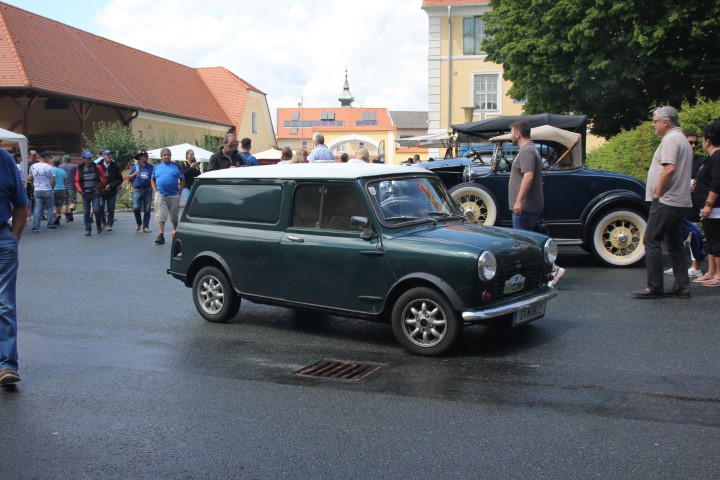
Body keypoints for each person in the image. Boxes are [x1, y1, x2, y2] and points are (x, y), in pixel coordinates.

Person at [632, 106, 694, 299]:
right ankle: (681, 286)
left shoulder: (670, 140)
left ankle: (655, 287)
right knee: (675, 244)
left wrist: (658, 193)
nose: (653, 124)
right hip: (680, 200)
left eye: (655, 120)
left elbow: (668, 169)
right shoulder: (681, 139)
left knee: (651, 239)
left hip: (667, 200)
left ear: (666, 122)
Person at [507, 121, 565, 286]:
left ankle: (552, 269)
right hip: (527, 206)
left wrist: (518, 201)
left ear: (518, 133)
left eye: (512, 132)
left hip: (525, 206)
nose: (511, 135)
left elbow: (528, 176)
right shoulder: (529, 150)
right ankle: (542, 274)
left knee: (524, 245)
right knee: (530, 244)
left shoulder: (527, 151)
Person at [0, 148, 28, 385]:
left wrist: (13, 238)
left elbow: (21, 203)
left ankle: (7, 365)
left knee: (4, 303)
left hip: (2, 240)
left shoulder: (4, 159)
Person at [664, 131, 706, 277]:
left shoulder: (701, 161)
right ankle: (679, 266)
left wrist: (695, 183)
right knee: (679, 235)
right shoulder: (679, 159)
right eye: (690, 143)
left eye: (695, 143)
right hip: (678, 202)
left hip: (694, 204)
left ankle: (696, 267)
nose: (693, 146)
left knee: (693, 235)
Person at [693, 119, 720, 287]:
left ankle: (719, 274)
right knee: (710, 240)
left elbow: (717, 182)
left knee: (717, 240)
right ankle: (711, 271)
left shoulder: (717, 157)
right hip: (706, 207)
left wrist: (709, 204)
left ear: (707, 140)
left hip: (715, 208)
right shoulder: (709, 159)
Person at [151, 148, 184, 245]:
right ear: (161, 156)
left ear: (171, 155)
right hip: (160, 194)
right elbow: (152, 179)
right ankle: (161, 235)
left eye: (168, 155)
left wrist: (180, 191)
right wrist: (155, 190)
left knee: (174, 216)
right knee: (160, 215)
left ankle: (175, 232)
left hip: (173, 195)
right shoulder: (156, 167)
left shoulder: (176, 166)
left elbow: (182, 180)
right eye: (164, 155)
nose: (166, 156)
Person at [75, 149, 107, 236]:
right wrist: (80, 191)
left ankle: (98, 225)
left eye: (90, 158)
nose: (89, 160)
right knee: (86, 212)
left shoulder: (97, 167)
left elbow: (104, 178)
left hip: (95, 192)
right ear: (83, 158)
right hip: (85, 193)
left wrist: (100, 187)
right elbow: (77, 181)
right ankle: (88, 229)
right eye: (87, 158)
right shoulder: (80, 168)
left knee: (96, 210)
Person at [28, 151, 57, 232]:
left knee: (37, 208)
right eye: (48, 157)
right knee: (49, 207)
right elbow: (53, 179)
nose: (49, 159)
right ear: (45, 157)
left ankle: (36, 226)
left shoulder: (33, 166)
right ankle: (50, 225)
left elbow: (30, 178)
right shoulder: (49, 167)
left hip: (37, 189)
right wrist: (52, 187)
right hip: (47, 188)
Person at [127, 149, 154, 233]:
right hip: (137, 190)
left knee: (147, 209)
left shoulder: (150, 167)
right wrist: (135, 173)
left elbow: (153, 178)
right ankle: (138, 222)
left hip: (148, 190)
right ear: (140, 157)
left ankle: (146, 226)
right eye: (144, 156)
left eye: (146, 155)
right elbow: (129, 177)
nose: (146, 157)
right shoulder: (135, 166)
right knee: (136, 208)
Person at [98, 150, 123, 231]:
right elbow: (96, 178)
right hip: (101, 191)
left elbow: (120, 179)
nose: (109, 156)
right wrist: (100, 186)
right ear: (103, 156)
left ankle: (110, 223)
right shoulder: (99, 166)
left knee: (110, 208)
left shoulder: (114, 166)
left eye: (110, 154)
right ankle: (103, 222)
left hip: (111, 191)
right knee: (101, 206)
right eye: (107, 155)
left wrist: (111, 185)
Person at [59, 154, 78, 222]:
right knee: (73, 201)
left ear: (63, 160)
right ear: (70, 160)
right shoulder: (75, 167)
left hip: (63, 187)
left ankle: (67, 216)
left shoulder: (60, 167)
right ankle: (71, 212)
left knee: (65, 203)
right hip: (72, 186)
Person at [51, 157, 67, 226]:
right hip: (61, 188)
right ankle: (58, 217)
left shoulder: (51, 170)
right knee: (59, 205)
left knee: (52, 203)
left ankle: (55, 214)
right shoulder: (63, 171)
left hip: (54, 188)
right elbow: (65, 180)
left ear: (53, 163)